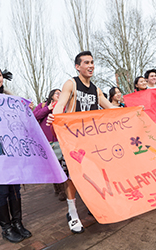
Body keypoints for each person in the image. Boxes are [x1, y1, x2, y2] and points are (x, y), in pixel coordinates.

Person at [46, 51, 116, 234]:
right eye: (86, 62)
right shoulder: (71, 84)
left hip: (91, 141)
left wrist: (134, 110)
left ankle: (94, 207)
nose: (91, 65)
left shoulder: (96, 90)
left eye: (92, 62)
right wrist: (55, 116)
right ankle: (72, 213)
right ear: (78, 66)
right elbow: (61, 104)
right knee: (72, 177)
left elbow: (111, 108)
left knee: (92, 174)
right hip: (72, 140)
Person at [0, 64, 32, 243]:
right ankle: (6, 227)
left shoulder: (11, 100)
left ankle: (18, 223)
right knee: (1, 190)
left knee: (15, 189)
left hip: (12, 150)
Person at [33, 89, 67, 201]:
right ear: (51, 96)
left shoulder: (64, 106)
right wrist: (48, 109)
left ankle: (64, 190)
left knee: (63, 166)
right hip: (48, 141)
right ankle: (57, 187)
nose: (60, 95)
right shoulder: (42, 105)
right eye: (57, 93)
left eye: (61, 93)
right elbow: (34, 116)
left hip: (61, 139)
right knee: (54, 166)